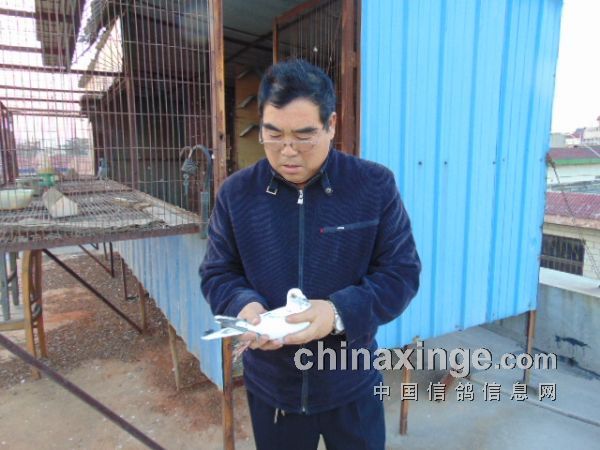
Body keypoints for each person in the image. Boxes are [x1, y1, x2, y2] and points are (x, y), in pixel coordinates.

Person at [199, 59, 421, 450]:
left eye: (304, 137)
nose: (287, 152)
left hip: (351, 382)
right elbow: (218, 271)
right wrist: (243, 305)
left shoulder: (373, 185)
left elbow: (401, 273)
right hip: (273, 390)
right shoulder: (237, 194)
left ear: (331, 125)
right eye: (273, 135)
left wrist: (336, 313)